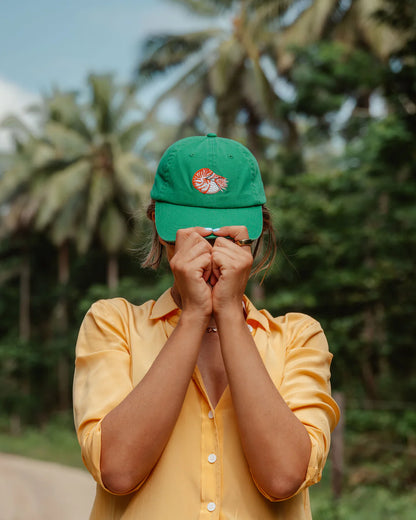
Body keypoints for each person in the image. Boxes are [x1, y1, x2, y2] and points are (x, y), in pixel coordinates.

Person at [73, 133, 340, 520]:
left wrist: (229, 311)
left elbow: (283, 478)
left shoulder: (300, 337)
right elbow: (118, 470)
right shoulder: (112, 323)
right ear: (157, 224)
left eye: (225, 235)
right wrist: (196, 314)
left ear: (257, 231)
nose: (209, 247)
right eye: (192, 231)